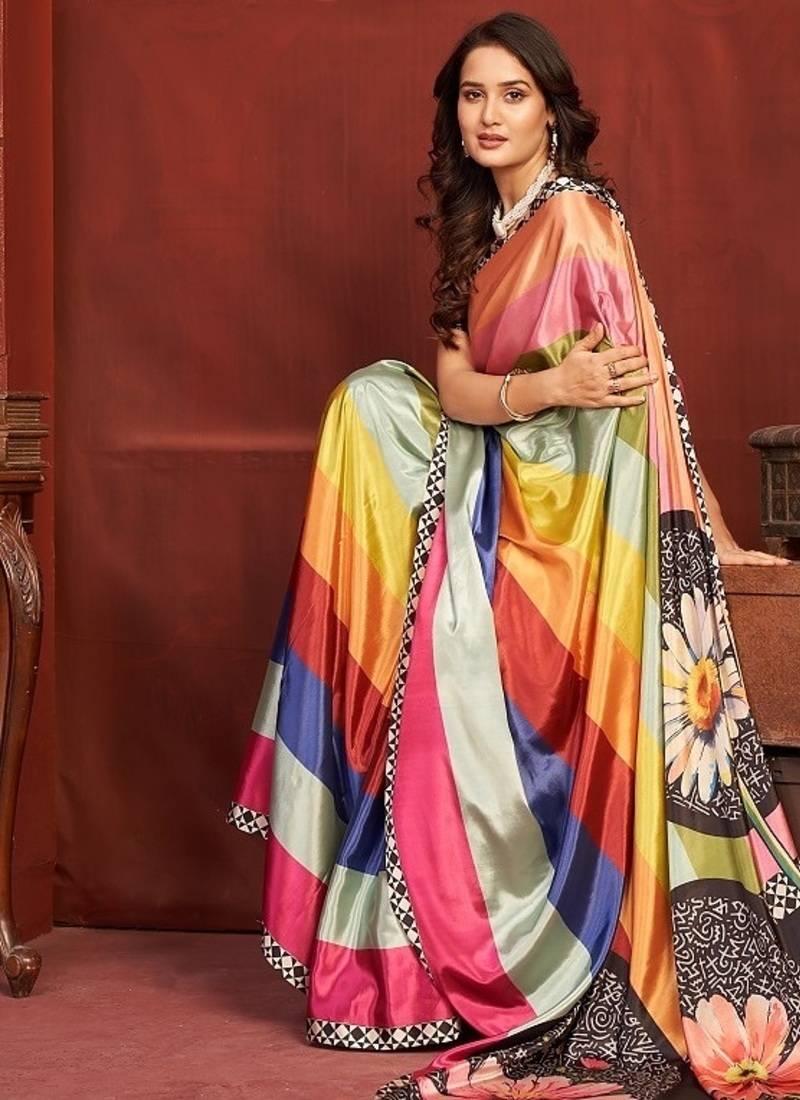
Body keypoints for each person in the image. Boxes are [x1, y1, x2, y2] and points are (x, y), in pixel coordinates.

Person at [226, 11, 800, 1100]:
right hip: (494, 476)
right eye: (472, 95)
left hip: (566, 522)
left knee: (417, 536)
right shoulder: (477, 228)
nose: (489, 115)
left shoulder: (578, 220)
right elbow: (453, 387)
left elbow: (641, 398)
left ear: (552, 113)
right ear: (454, 113)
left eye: (513, 95)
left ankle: (527, 919)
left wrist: (699, 526)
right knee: (367, 403)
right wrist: (544, 387)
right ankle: (417, 917)